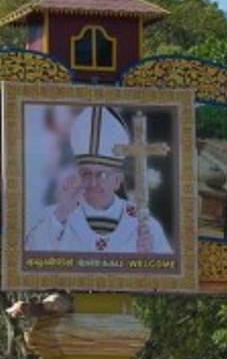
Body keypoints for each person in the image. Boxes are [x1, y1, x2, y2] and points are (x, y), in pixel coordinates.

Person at [24, 106, 172, 255]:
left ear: (117, 180)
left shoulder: (145, 225)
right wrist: (62, 212)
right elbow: (28, 256)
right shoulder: (57, 216)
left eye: (101, 175)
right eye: (86, 174)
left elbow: (169, 273)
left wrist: (150, 258)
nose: (93, 183)